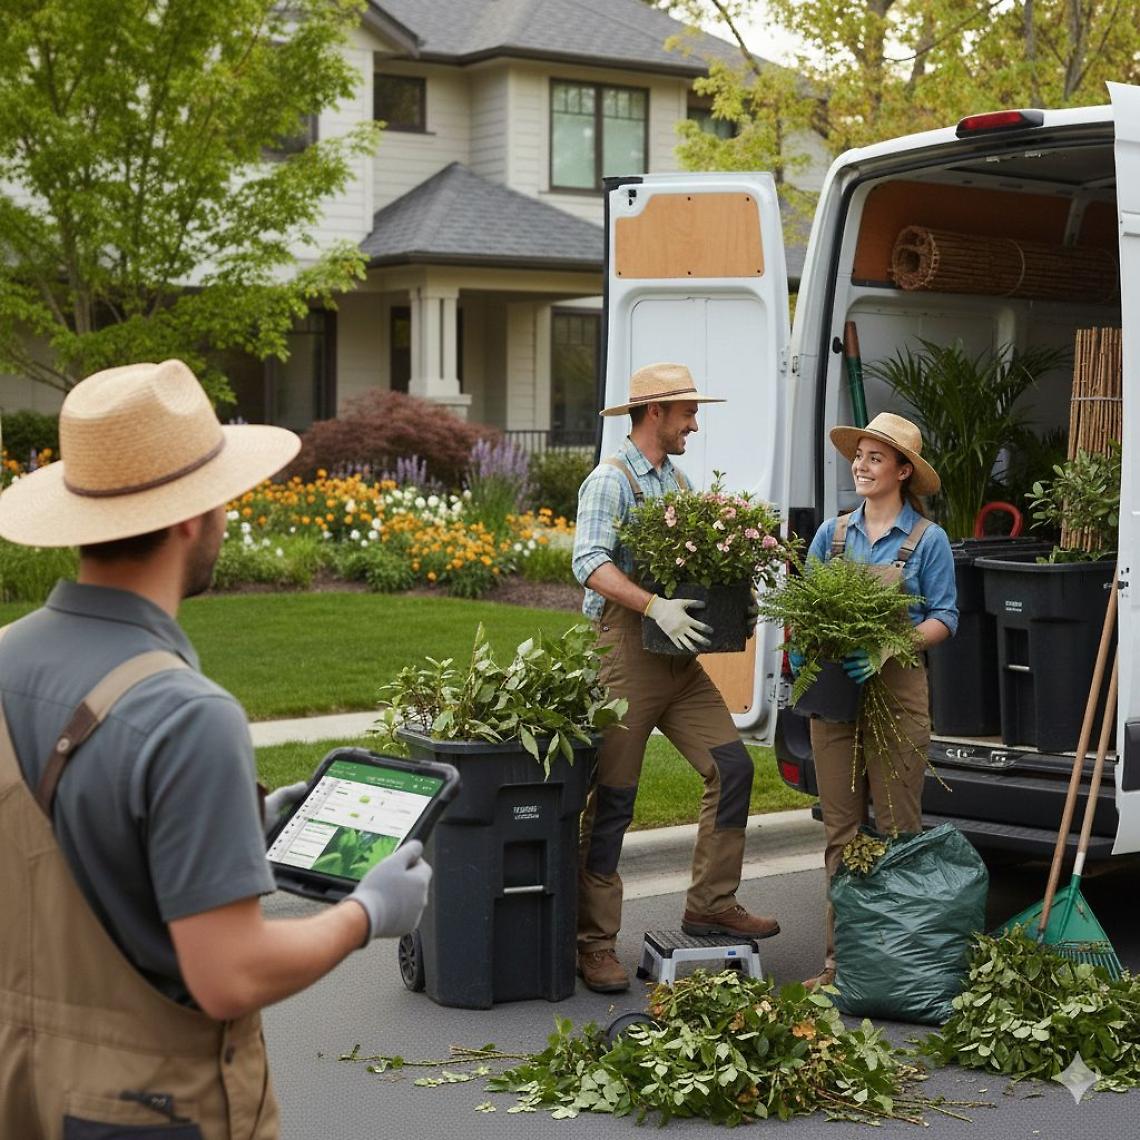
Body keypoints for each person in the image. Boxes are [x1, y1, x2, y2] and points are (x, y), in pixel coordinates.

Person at [0, 360, 433, 1139]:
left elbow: (58, 847)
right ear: (191, 517)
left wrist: (238, 829)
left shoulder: (4, 658)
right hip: (141, 1110)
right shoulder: (186, 715)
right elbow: (229, 974)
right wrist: (369, 913)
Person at [571, 361, 779, 994]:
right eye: (688, 411)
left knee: (733, 767)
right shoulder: (611, 481)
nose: (695, 421)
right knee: (613, 802)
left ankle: (711, 903)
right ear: (655, 413)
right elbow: (589, 562)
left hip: (678, 663)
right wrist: (653, 604)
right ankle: (593, 943)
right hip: (626, 655)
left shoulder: (677, 481)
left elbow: (699, 563)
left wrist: (731, 597)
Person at [794, 411, 958, 991]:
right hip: (837, 693)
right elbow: (806, 605)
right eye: (858, 456)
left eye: (875, 458)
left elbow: (945, 617)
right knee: (842, 834)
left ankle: (897, 968)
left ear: (903, 471)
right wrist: (800, 653)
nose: (860, 466)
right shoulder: (832, 535)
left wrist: (893, 644)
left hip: (899, 692)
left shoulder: (926, 540)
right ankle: (842, 965)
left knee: (895, 832)